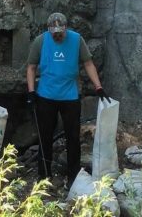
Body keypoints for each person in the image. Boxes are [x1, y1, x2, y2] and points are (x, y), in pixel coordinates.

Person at [26, 12, 110, 185]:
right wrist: (31, 92)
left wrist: (98, 86)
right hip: (46, 95)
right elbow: (31, 67)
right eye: (54, 33)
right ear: (49, 30)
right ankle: (44, 176)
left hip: (70, 95)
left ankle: (73, 177)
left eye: (60, 32)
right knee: (45, 136)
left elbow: (88, 63)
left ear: (66, 28)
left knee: (73, 137)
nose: (57, 35)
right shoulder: (40, 41)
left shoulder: (77, 40)